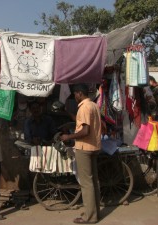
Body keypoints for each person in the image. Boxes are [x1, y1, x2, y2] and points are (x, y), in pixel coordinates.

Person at [60, 83, 101, 224]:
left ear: (79, 93)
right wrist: (67, 112)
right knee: (93, 181)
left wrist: (68, 137)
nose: (74, 97)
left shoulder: (84, 108)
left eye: (75, 95)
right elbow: (81, 122)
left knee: (86, 183)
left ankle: (90, 217)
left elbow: (84, 131)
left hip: (84, 148)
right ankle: (95, 212)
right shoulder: (94, 106)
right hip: (94, 147)